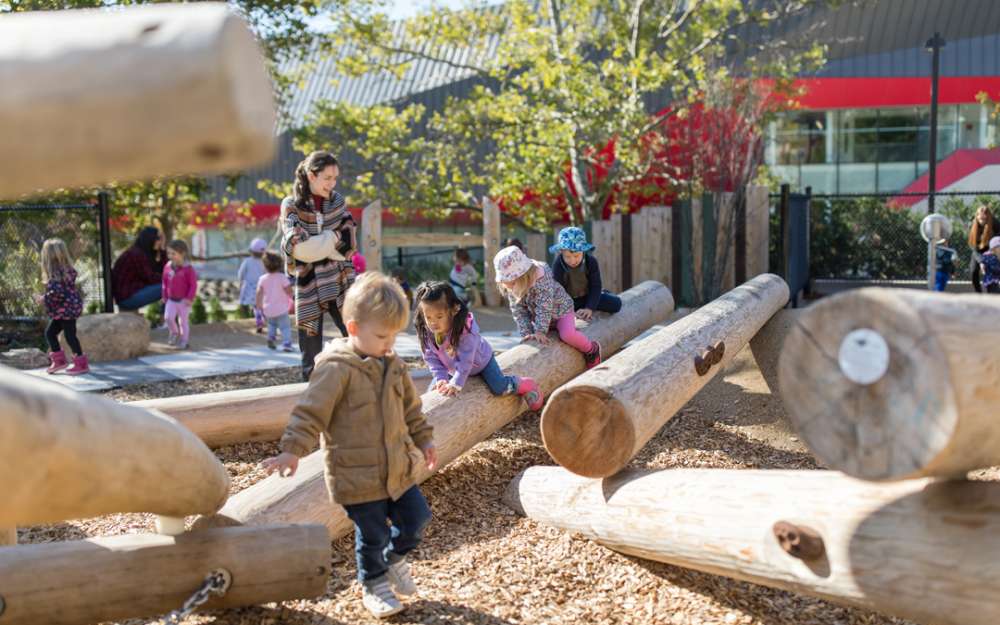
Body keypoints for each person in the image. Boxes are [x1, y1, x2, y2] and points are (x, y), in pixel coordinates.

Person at [260, 272, 436, 619]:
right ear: (353, 328)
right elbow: (310, 412)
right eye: (382, 335)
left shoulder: (393, 366)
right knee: (371, 535)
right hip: (356, 476)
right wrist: (292, 449)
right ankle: (374, 584)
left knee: (417, 518)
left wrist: (425, 439)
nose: (389, 344)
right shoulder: (336, 370)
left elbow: (411, 409)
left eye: (395, 336)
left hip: (396, 467)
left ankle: (393, 560)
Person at [280, 151, 358, 380]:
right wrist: (333, 238)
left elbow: (350, 242)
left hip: (340, 280)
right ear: (311, 176)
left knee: (358, 337)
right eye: (327, 178)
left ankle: (363, 386)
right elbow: (299, 249)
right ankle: (312, 402)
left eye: (335, 178)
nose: (332, 184)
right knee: (310, 353)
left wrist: (318, 245)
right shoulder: (291, 205)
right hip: (308, 285)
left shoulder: (337, 201)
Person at [414, 281, 543, 410]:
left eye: (439, 316)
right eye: (428, 317)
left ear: (454, 309)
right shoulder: (427, 333)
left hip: (481, 363)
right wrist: (441, 377)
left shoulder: (465, 329)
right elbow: (431, 358)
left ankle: (526, 384)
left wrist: (456, 383)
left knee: (499, 387)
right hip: (453, 369)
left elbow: (466, 360)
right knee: (433, 390)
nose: (433, 323)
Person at [494, 245, 602, 368]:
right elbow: (518, 311)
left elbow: (544, 306)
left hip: (561, 312)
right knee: (534, 338)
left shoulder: (541, 279)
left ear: (522, 276)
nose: (510, 288)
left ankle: (591, 349)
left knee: (567, 335)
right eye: (505, 284)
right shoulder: (513, 286)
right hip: (544, 319)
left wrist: (540, 331)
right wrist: (527, 333)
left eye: (512, 283)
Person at [549, 226, 622, 321]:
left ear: (583, 251)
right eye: (567, 256)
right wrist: (569, 312)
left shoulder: (591, 262)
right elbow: (558, 291)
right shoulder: (558, 265)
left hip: (587, 296)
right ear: (561, 252)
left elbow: (595, 285)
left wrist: (589, 308)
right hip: (569, 300)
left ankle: (603, 294)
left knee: (616, 304)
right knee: (554, 310)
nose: (572, 260)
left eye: (576, 256)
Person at [39, 238, 89, 375]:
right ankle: (60, 361)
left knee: (69, 335)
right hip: (66, 309)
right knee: (51, 333)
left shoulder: (55, 272)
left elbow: (57, 293)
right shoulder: (65, 269)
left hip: (66, 310)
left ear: (47, 256)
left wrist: (44, 298)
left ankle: (81, 363)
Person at [112, 226, 166, 311]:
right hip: (127, 298)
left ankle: (167, 319)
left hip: (129, 295)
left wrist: (162, 251)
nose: (160, 241)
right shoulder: (136, 254)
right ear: (150, 238)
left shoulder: (139, 252)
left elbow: (161, 270)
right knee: (171, 286)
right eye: (158, 238)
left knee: (171, 284)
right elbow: (151, 278)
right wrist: (170, 279)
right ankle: (167, 321)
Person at [161, 239, 197, 350]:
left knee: (183, 322)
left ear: (182, 254)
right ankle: (174, 332)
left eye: (173, 253)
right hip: (171, 300)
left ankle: (184, 341)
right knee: (168, 318)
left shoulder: (188, 269)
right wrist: (164, 295)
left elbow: (193, 285)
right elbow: (164, 282)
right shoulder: (167, 267)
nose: (170, 256)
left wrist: (189, 298)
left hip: (184, 301)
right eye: (169, 253)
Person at [257, 251, 295, 351]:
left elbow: (259, 294)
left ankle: (271, 338)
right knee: (285, 327)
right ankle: (286, 344)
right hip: (282, 309)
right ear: (280, 264)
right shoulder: (282, 278)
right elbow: (289, 291)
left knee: (272, 325)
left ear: (265, 266)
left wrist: (259, 306)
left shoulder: (262, 279)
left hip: (268, 309)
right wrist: (293, 298)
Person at [238, 238, 268, 334]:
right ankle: (265, 318)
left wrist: (241, 281)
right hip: (262, 287)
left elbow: (241, 273)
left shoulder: (247, 261)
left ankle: (259, 321)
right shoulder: (265, 262)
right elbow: (267, 273)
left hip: (250, 288)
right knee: (262, 305)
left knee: (256, 306)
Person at [968, 205, 998, 293]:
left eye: (984, 219)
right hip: (978, 250)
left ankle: (992, 293)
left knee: (990, 272)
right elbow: (973, 247)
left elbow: (997, 243)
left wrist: (988, 259)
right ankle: (979, 294)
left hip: (992, 250)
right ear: (976, 216)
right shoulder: (972, 226)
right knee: (973, 271)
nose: (981, 221)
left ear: (988, 217)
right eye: (979, 217)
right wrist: (981, 261)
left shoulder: (995, 224)